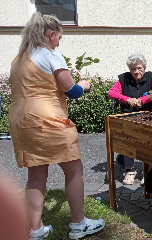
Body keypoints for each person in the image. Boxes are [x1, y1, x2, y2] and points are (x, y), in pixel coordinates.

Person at [8, 13, 105, 240]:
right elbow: (71, 91)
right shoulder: (50, 54)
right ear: (51, 34)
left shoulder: (20, 58)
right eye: (59, 37)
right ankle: (79, 224)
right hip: (48, 121)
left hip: (22, 122)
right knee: (74, 169)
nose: (59, 42)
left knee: (36, 175)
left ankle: (35, 230)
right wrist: (85, 84)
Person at [108, 53, 152, 185]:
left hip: (148, 114)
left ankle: (148, 171)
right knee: (128, 141)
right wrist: (127, 99)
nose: (136, 71)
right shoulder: (123, 79)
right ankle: (130, 170)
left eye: (139, 68)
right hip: (128, 115)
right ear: (129, 69)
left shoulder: (151, 77)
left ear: (144, 67)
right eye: (133, 69)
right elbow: (112, 93)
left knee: (148, 142)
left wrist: (142, 100)